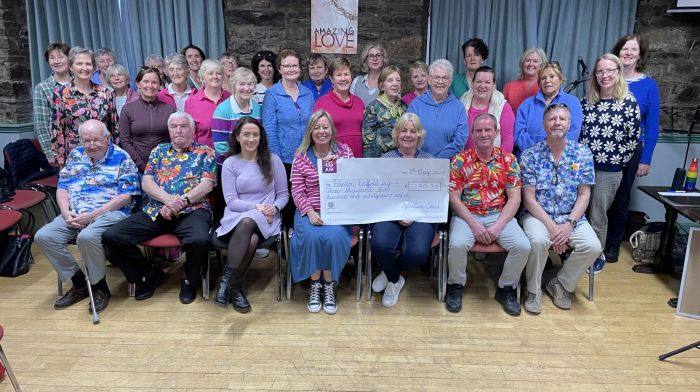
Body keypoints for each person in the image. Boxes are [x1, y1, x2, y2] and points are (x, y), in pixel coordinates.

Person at [102, 112, 216, 304]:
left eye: (183, 126)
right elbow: (146, 182)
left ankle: (189, 279)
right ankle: (148, 274)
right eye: (174, 126)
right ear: (169, 130)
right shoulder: (159, 151)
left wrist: (180, 203)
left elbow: (207, 185)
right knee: (113, 236)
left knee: (200, 240)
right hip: (157, 209)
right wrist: (167, 200)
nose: (178, 130)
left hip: (192, 210)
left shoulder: (206, 152)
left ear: (193, 129)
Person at [35, 119, 140, 314]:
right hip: (75, 213)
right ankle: (79, 283)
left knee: (87, 236)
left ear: (107, 138)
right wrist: (66, 212)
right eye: (87, 140)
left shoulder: (121, 158)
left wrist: (92, 216)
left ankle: (100, 288)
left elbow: (126, 197)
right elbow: (63, 187)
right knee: (44, 236)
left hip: (110, 213)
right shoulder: (76, 155)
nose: (91, 145)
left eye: (96, 140)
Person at [444, 113, 529, 315]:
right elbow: (454, 198)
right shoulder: (459, 160)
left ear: (496, 132)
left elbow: (515, 199)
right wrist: (475, 225)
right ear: (472, 134)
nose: (483, 134)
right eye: (479, 130)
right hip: (467, 215)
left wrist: (497, 227)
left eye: (488, 130)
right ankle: (455, 286)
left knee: (523, 246)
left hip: (499, 215)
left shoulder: (509, 160)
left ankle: (506, 288)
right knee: (456, 244)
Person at [520, 103, 602, 312]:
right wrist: (552, 228)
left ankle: (561, 284)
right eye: (552, 119)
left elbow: (584, 195)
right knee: (538, 240)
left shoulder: (582, 154)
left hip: (571, 217)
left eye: (562, 119)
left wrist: (567, 225)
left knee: (593, 246)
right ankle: (533, 290)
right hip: (538, 216)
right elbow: (529, 199)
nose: (557, 122)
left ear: (569, 123)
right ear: (544, 124)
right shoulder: (530, 155)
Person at [214, 117, 289, 312]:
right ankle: (234, 286)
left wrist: (275, 208)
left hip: (268, 216)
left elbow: (282, 195)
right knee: (252, 237)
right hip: (237, 214)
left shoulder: (273, 160)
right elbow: (231, 201)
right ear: (238, 137)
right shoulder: (230, 163)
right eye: (246, 134)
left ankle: (226, 282)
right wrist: (257, 207)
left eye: (255, 134)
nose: (251, 139)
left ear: (261, 137)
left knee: (249, 223)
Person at [579, 54, 641, 274]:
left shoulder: (628, 102)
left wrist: (616, 162)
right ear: (595, 75)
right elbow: (578, 134)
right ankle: (579, 253)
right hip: (583, 168)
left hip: (609, 170)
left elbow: (633, 140)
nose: (604, 75)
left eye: (609, 70)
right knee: (580, 212)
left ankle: (595, 256)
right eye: (600, 71)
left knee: (598, 214)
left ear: (618, 72)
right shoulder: (587, 101)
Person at [290, 110, 354, 314]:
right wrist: (309, 212)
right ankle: (315, 285)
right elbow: (297, 190)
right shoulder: (300, 157)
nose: (321, 131)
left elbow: (355, 184)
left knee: (334, 237)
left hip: (339, 210)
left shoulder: (345, 152)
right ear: (310, 131)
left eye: (325, 127)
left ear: (332, 130)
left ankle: (329, 286)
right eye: (316, 127)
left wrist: (341, 168)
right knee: (311, 237)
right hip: (309, 211)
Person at [605, 34, 661, 263]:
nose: (627, 53)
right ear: (618, 52)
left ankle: (612, 246)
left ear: (640, 54)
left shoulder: (649, 85)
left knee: (620, 197)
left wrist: (645, 159)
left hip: (631, 150)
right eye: (624, 49)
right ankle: (591, 244)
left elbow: (653, 126)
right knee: (594, 196)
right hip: (603, 148)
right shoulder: (607, 78)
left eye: (633, 49)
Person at [370, 113, 435, 307]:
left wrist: (441, 189)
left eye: (412, 131)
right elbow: (379, 194)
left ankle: (391, 273)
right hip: (390, 214)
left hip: (420, 216)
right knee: (380, 244)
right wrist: (398, 216)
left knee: (418, 252)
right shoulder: (386, 159)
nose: (408, 135)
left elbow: (431, 197)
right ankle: (395, 280)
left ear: (419, 135)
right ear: (397, 134)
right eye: (403, 130)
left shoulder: (429, 161)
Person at [262, 48, 315, 228]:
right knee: (287, 201)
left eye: (295, 65)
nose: (291, 69)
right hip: (283, 158)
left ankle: (302, 236)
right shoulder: (272, 94)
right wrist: (275, 158)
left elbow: (313, 125)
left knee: (306, 199)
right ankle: (285, 242)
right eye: (287, 66)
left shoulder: (307, 93)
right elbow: (269, 128)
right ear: (280, 69)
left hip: (306, 157)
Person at [51, 46, 118, 167]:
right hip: (76, 156)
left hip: (104, 154)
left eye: (88, 64)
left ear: (93, 67)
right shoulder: (61, 93)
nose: (84, 68)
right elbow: (57, 130)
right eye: (79, 64)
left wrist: (117, 155)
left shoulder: (106, 93)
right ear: (71, 67)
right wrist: (61, 163)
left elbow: (114, 127)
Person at [514, 61, 583, 157]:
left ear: (560, 78)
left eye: (552, 76)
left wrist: (551, 152)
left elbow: (573, 134)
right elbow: (519, 135)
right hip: (529, 158)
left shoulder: (573, 102)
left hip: (561, 158)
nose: (547, 81)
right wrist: (539, 153)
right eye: (543, 78)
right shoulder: (526, 105)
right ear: (539, 82)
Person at [407, 59, 468, 159]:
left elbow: (460, 139)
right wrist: (423, 157)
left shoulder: (458, 107)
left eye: (445, 78)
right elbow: (408, 133)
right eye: (437, 78)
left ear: (450, 81)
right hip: (418, 163)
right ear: (430, 80)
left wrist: (439, 160)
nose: (440, 82)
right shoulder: (416, 105)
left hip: (448, 164)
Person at [118, 67, 174, 172]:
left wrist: (167, 163)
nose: (150, 86)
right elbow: (125, 141)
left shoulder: (169, 110)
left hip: (166, 167)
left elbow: (174, 140)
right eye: (146, 81)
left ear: (159, 85)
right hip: (137, 168)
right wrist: (142, 166)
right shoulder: (127, 109)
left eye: (154, 82)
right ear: (138, 84)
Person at [314, 57, 365, 157]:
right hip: (333, 157)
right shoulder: (322, 103)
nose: (343, 78)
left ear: (351, 77)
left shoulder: (359, 102)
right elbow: (315, 134)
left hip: (358, 157)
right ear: (332, 79)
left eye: (346, 74)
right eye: (338, 75)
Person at [212, 67, 262, 164]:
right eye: (242, 84)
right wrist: (241, 163)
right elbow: (220, 146)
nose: (246, 88)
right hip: (230, 165)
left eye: (250, 84)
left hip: (254, 163)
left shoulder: (258, 109)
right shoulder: (222, 110)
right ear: (233, 86)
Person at [461, 66, 515, 153]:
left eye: (487, 82)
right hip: (464, 161)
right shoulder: (461, 105)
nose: (482, 86)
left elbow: (508, 141)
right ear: (472, 83)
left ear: (494, 85)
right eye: (478, 81)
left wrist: (496, 163)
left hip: (494, 163)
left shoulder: (503, 107)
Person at [34, 42, 71, 164]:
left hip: (86, 145)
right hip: (60, 150)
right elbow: (41, 124)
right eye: (52, 57)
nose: (57, 61)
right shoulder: (42, 88)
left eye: (60, 57)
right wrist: (49, 153)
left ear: (69, 59)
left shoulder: (80, 82)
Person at [362, 65, 407, 157]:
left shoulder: (404, 106)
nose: (395, 84)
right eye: (390, 80)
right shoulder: (373, 108)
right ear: (382, 86)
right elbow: (368, 144)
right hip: (380, 162)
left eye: (398, 80)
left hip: (401, 160)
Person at [184, 59, 231, 147]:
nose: (215, 76)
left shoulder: (231, 98)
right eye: (210, 73)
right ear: (202, 78)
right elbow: (189, 135)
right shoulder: (191, 102)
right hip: (203, 157)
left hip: (230, 156)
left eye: (218, 73)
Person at [503, 48, 547, 113]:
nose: (530, 64)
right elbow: (502, 111)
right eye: (528, 60)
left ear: (542, 65)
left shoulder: (546, 86)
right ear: (522, 63)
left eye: (535, 61)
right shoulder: (509, 86)